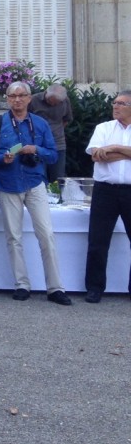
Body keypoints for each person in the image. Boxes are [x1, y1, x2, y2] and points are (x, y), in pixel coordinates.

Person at [0, 81, 72, 305]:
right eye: (12, 96)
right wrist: (1, 158)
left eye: (21, 95)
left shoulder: (41, 124)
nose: (17, 100)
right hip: (7, 183)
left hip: (35, 183)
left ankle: (55, 288)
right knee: (13, 237)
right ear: (7, 99)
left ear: (28, 98)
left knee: (47, 235)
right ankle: (22, 284)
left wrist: (36, 150)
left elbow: (54, 155)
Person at [83, 91, 131, 303]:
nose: (115, 106)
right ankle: (94, 288)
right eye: (114, 102)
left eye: (121, 103)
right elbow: (96, 155)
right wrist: (126, 152)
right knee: (97, 241)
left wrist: (114, 148)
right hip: (105, 190)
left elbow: (105, 153)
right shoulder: (103, 128)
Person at [29, 84, 74, 183]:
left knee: (58, 178)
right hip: (38, 145)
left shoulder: (65, 101)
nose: (53, 105)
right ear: (46, 93)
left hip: (58, 144)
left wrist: (54, 131)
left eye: (56, 103)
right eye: (50, 102)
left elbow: (66, 119)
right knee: (39, 177)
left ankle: (58, 198)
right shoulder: (33, 100)